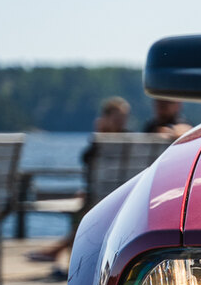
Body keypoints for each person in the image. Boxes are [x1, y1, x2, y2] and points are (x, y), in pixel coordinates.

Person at [26, 96, 129, 269]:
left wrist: (98, 137)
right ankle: (58, 252)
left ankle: (64, 256)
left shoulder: (117, 142)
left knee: (84, 207)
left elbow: (86, 161)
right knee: (85, 200)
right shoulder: (132, 140)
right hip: (123, 196)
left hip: (105, 198)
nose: (121, 122)